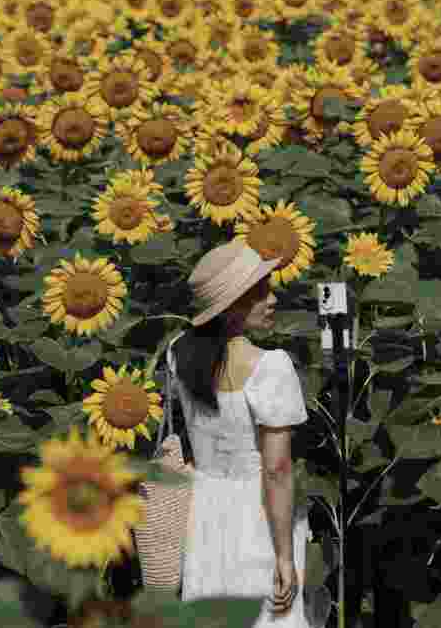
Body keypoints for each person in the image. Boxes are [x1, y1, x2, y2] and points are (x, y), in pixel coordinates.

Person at [165, 238, 315, 627]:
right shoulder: (270, 367)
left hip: (203, 512)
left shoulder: (178, 353)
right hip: (260, 516)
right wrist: (284, 556)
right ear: (230, 307)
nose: (273, 300)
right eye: (259, 293)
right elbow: (276, 470)